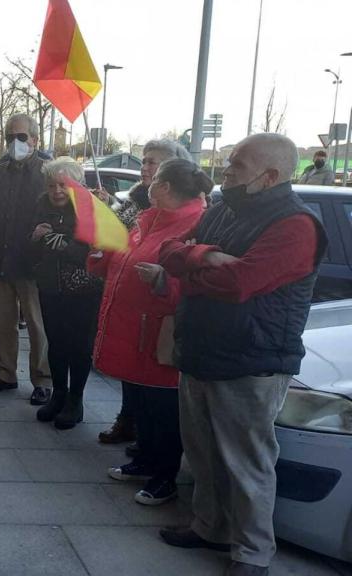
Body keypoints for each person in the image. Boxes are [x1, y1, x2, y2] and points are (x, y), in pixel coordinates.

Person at [158, 133, 327, 576]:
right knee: (203, 454)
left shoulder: (296, 225)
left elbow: (239, 284)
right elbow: (169, 250)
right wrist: (208, 255)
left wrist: (192, 269)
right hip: (201, 350)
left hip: (252, 361)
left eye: (237, 165)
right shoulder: (223, 210)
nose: (226, 171)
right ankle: (209, 525)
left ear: (269, 176)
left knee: (247, 463)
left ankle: (252, 553)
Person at [90, 158, 209, 506]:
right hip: (131, 327)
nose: (149, 182)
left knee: (163, 409)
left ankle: (164, 476)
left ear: (167, 187)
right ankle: (143, 461)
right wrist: (104, 253)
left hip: (159, 334)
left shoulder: (196, 223)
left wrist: (162, 280)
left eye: (155, 178)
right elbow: (124, 257)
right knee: (140, 401)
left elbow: (196, 280)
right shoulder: (148, 218)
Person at [100, 139, 192, 449]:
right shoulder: (137, 201)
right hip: (126, 304)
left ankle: (148, 442)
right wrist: (105, 211)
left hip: (156, 312)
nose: (146, 168)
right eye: (145, 161)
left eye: (154, 162)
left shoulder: (188, 211)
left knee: (156, 387)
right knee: (131, 371)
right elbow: (118, 232)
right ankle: (131, 423)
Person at [0, 114, 51, 404]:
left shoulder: (47, 172)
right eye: (10, 136)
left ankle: (42, 379)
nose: (15, 142)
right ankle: (6, 372)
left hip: (32, 262)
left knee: (36, 323)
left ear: (34, 139)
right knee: (1, 321)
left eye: (21, 136)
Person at [27, 158, 103, 429]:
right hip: (51, 286)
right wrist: (37, 238)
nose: (57, 191)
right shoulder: (40, 206)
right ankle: (58, 394)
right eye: (51, 185)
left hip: (83, 289)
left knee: (79, 347)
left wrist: (59, 243)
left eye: (63, 185)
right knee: (56, 343)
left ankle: (76, 400)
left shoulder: (91, 208)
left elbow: (90, 252)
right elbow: (34, 250)